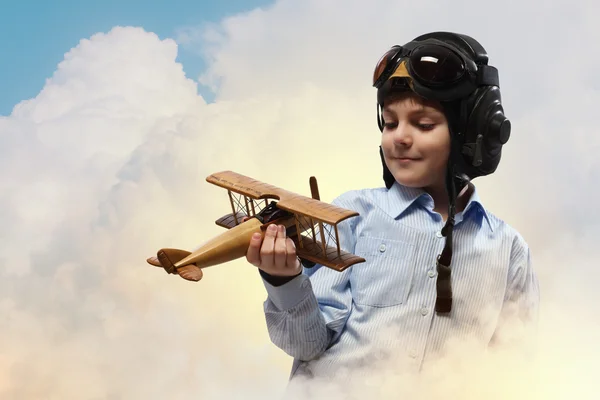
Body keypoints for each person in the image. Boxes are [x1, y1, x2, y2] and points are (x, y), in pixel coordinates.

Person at [245, 31, 540, 391]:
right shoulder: (352, 214)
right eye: (389, 123)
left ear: (473, 133)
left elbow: (512, 367)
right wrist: (284, 281)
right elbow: (305, 344)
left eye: (424, 124)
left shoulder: (508, 250)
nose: (399, 137)